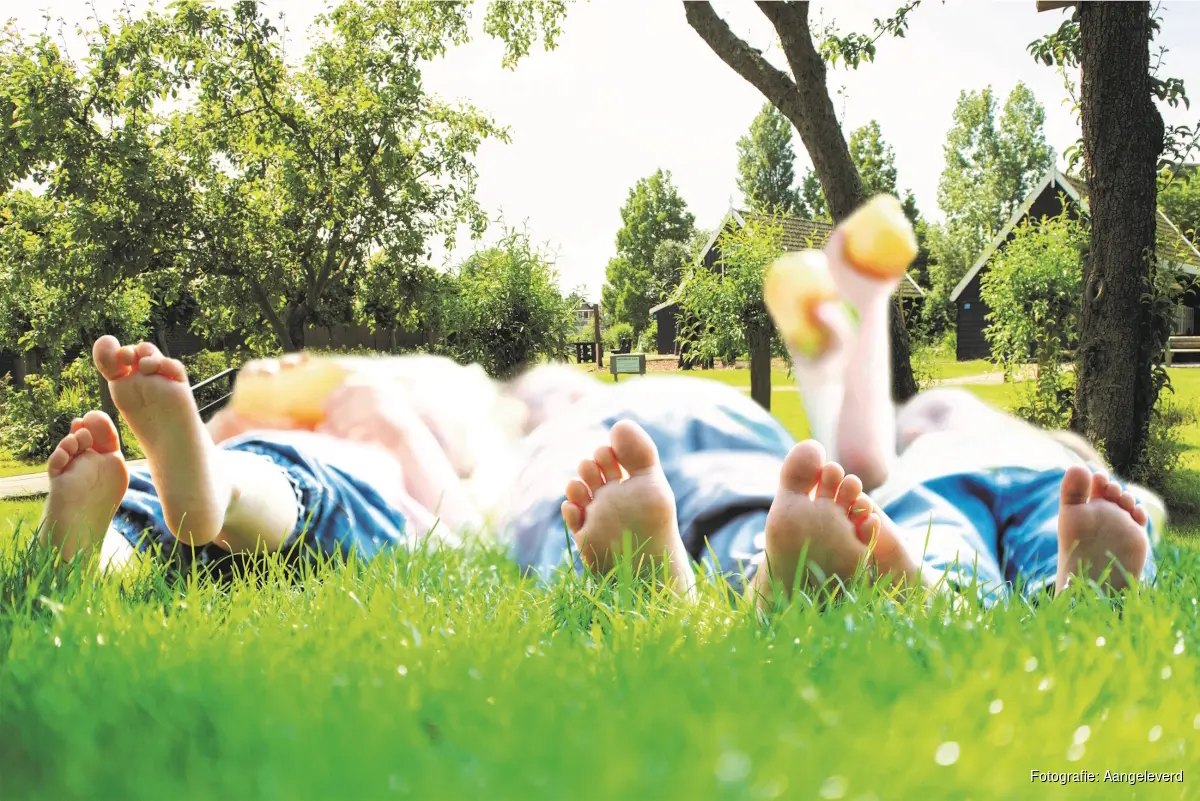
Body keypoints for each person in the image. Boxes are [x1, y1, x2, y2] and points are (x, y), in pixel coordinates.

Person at [36, 215, 1159, 609]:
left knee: (813, 491)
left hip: (649, 457)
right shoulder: (489, 427)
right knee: (850, 491)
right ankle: (929, 586)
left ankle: (684, 580)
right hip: (704, 444)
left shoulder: (525, 428)